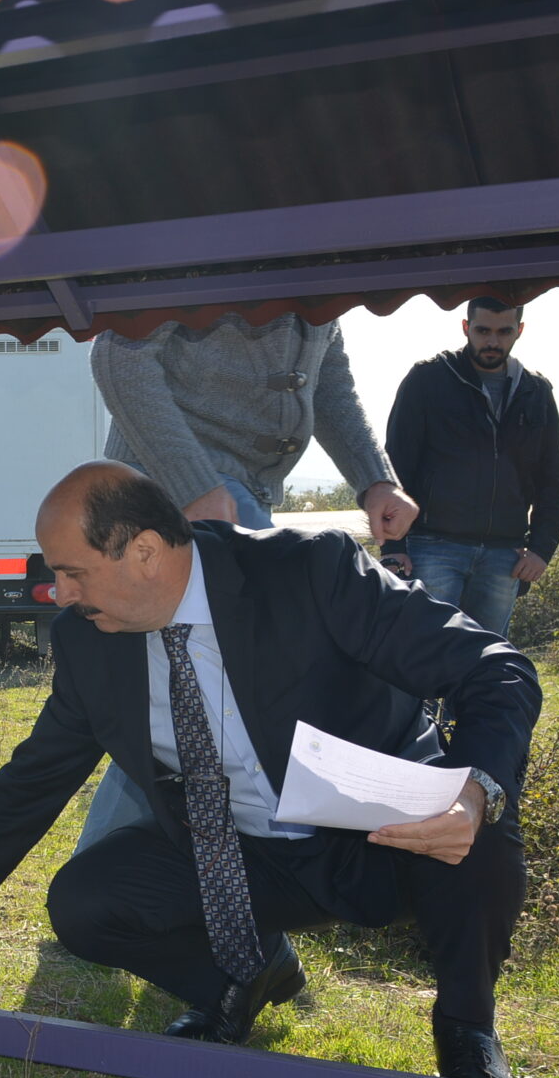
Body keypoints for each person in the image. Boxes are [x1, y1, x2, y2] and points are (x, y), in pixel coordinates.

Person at [0, 463, 538, 1078]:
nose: (60, 593)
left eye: (73, 572)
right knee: (85, 899)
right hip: (240, 864)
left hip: (381, 838)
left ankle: (466, 1030)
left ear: (145, 553)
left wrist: (475, 792)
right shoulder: (87, 643)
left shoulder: (307, 571)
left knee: (487, 827)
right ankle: (235, 982)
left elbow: (496, 668)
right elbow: (27, 787)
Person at [79, 314, 419, 851]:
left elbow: (329, 381)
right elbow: (118, 355)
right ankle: (292, 864)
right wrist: (193, 484)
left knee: (179, 696)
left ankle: (114, 874)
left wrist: (374, 479)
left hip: (234, 497)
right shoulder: (214, 236)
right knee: (228, 693)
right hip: (170, 490)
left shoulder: (328, 264)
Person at [377, 296, 559, 637]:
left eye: (503, 331)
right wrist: (393, 548)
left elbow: (552, 478)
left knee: (486, 665)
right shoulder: (429, 379)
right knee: (419, 655)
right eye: (483, 330)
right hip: (432, 546)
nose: (492, 341)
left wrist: (541, 549)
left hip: (503, 554)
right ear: (466, 327)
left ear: (519, 330)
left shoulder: (535, 391)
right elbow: (395, 466)